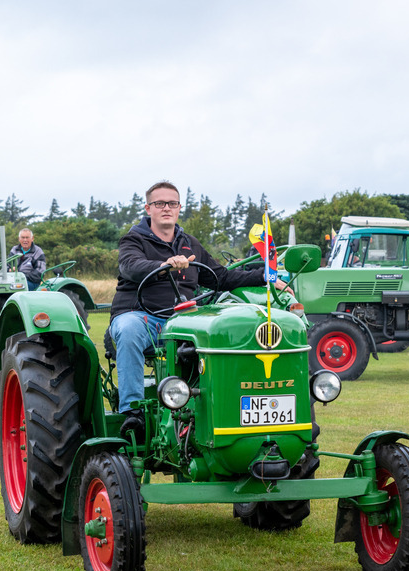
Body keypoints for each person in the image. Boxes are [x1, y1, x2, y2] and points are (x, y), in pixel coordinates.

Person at [110, 181, 291, 438]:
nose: (166, 208)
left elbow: (223, 277)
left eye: (172, 203)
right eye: (159, 203)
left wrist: (267, 277)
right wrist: (166, 264)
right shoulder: (133, 239)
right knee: (127, 331)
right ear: (148, 208)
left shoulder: (189, 243)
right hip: (142, 317)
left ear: (179, 208)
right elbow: (131, 266)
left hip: (182, 320)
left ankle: (223, 409)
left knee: (220, 333)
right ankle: (133, 414)